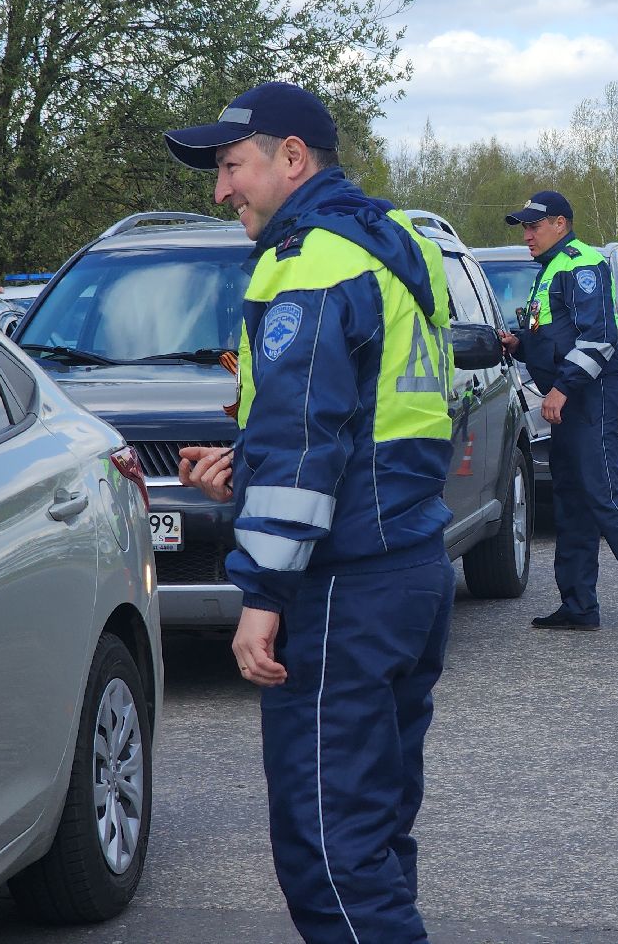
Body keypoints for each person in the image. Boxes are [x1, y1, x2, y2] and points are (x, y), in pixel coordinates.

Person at [167, 81, 455, 943]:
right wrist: (247, 472)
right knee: (372, 839)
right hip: (410, 568)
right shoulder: (395, 242)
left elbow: (304, 442)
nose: (222, 191)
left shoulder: (312, 262)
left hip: (342, 595)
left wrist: (259, 597)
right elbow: (361, 426)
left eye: (232, 167)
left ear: (293, 158)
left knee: (330, 859)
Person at [498, 190, 618, 632]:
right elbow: (555, 337)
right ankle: (579, 604)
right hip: (569, 404)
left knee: (603, 495)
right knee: (572, 501)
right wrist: (519, 343)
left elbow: (598, 339)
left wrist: (561, 390)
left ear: (560, 224)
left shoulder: (582, 265)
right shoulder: (551, 269)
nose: (527, 235)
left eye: (534, 226)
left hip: (590, 399)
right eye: (524, 227)